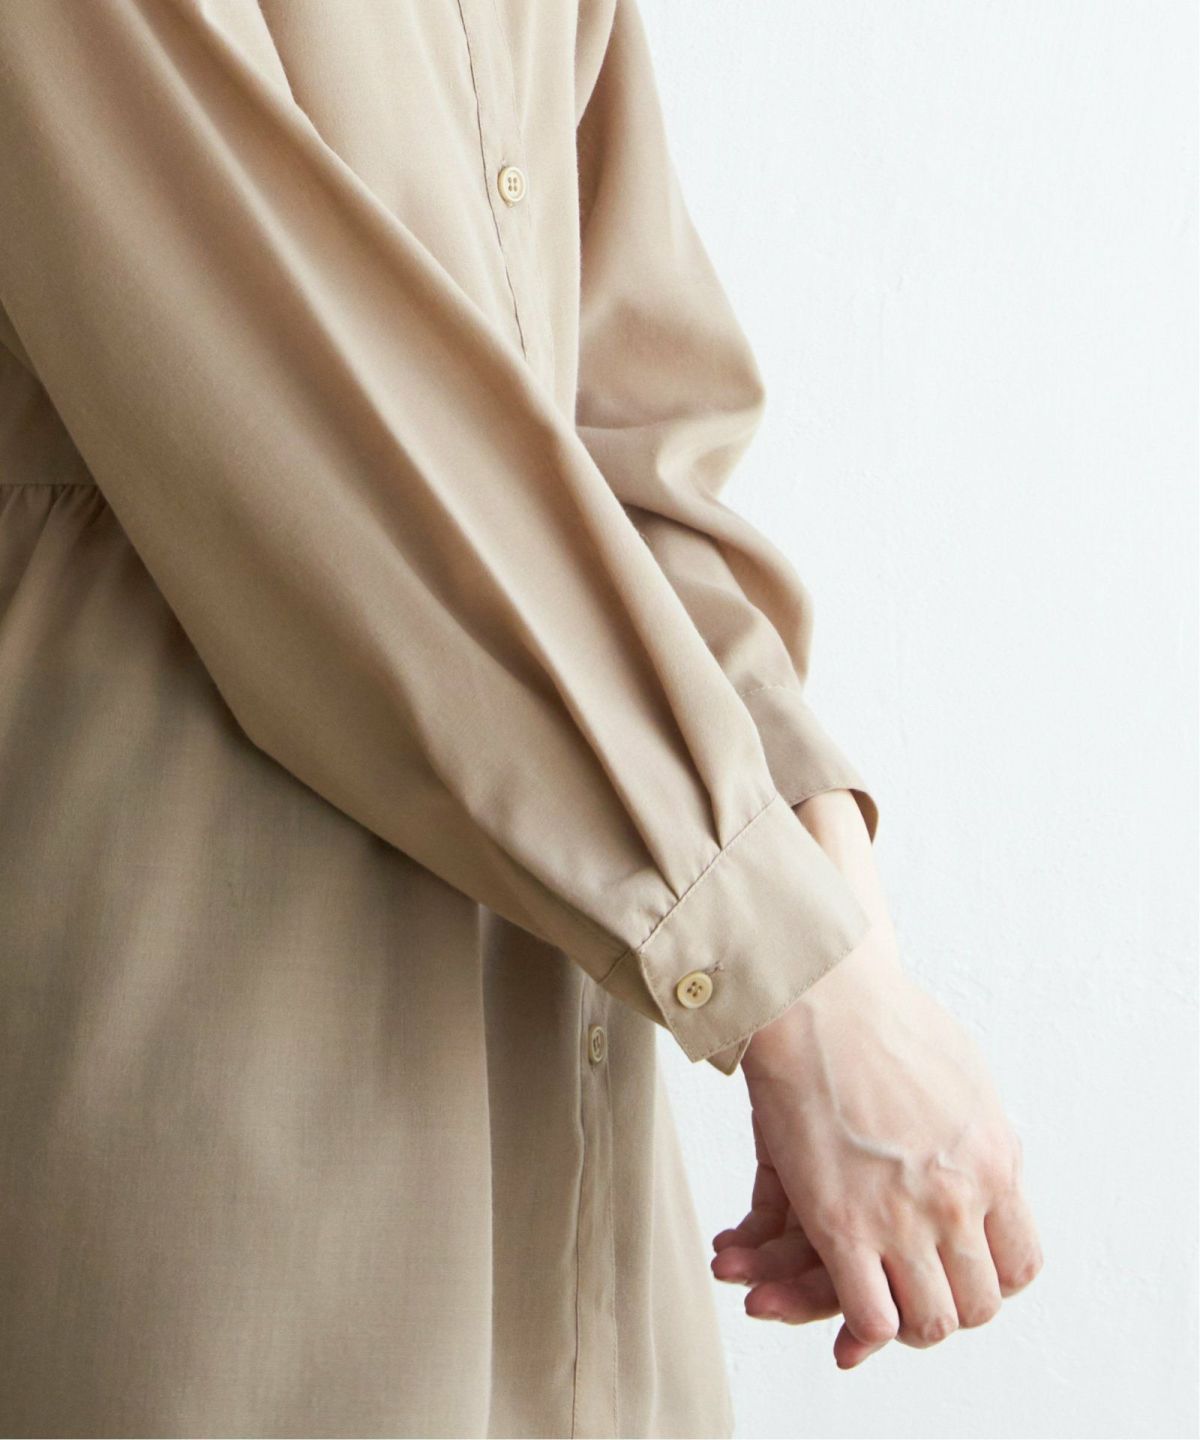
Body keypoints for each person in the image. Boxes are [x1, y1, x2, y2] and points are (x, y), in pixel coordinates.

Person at [0, 0, 1042, 1435]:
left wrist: (837, 934)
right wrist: (785, 980)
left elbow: (636, 447)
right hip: (206, 1087)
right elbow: (311, 431)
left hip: (569, 1092)